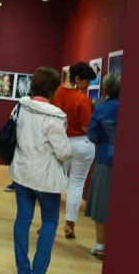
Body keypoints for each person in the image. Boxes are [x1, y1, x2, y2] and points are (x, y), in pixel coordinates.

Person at [10, 66, 71, 274]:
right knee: (50, 221)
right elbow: (63, 152)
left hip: (21, 172)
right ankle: (38, 271)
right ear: (54, 90)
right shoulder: (56, 116)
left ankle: (23, 269)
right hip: (46, 177)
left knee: (22, 219)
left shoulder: (21, 106)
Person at [52, 61, 97, 239]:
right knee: (76, 185)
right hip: (82, 144)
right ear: (77, 78)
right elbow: (86, 128)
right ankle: (70, 225)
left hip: (62, 142)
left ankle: (50, 221)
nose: (88, 85)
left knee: (57, 183)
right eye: (87, 81)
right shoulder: (83, 100)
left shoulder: (57, 93)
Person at [85, 72, 121, 260]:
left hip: (105, 158)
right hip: (128, 164)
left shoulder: (101, 108)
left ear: (105, 88)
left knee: (101, 203)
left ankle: (100, 245)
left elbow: (93, 136)